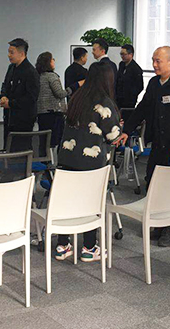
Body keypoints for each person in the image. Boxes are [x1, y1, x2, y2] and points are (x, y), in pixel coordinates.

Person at [117, 46, 170, 247]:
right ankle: (159, 223)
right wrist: (128, 130)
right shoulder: (154, 83)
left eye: (158, 61)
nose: (154, 65)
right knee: (153, 181)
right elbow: (143, 108)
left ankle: (169, 228)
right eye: (153, 60)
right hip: (158, 144)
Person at [56, 61, 122, 262]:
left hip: (66, 159)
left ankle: (62, 245)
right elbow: (113, 136)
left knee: (67, 201)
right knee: (90, 202)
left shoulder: (77, 98)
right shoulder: (104, 102)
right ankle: (89, 247)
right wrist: (119, 127)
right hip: (90, 165)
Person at [0, 38, 40, 146]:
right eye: (8, 52)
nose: (9, 55)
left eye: (11, 52)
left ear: (22, 53)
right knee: (8, 145)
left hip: (23, 118)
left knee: (20, 147)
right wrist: (3, 96)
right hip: (9, 116)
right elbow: (5, 85)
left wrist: (11, 103)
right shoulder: (11, 68)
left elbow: (31, 98)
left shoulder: (31, 72)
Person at [36, 51, 67, 147]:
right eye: (52, 59)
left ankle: (45, 156)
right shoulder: (52, 76)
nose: (54, 60)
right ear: (48, 62)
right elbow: (60, 93)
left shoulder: (39, 76)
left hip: (41, 112)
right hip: (53, 112)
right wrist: (72, 88)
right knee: (55, 140)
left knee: (44, 141)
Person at [116, 44, 144, 109]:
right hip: (118, 98)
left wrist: (131, 95)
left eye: (124, 54)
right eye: (121, 54)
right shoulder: (121, 64)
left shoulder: (136, 69)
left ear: (130, 54)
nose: (122, 56)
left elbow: (140, 87)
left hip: (129, 101)